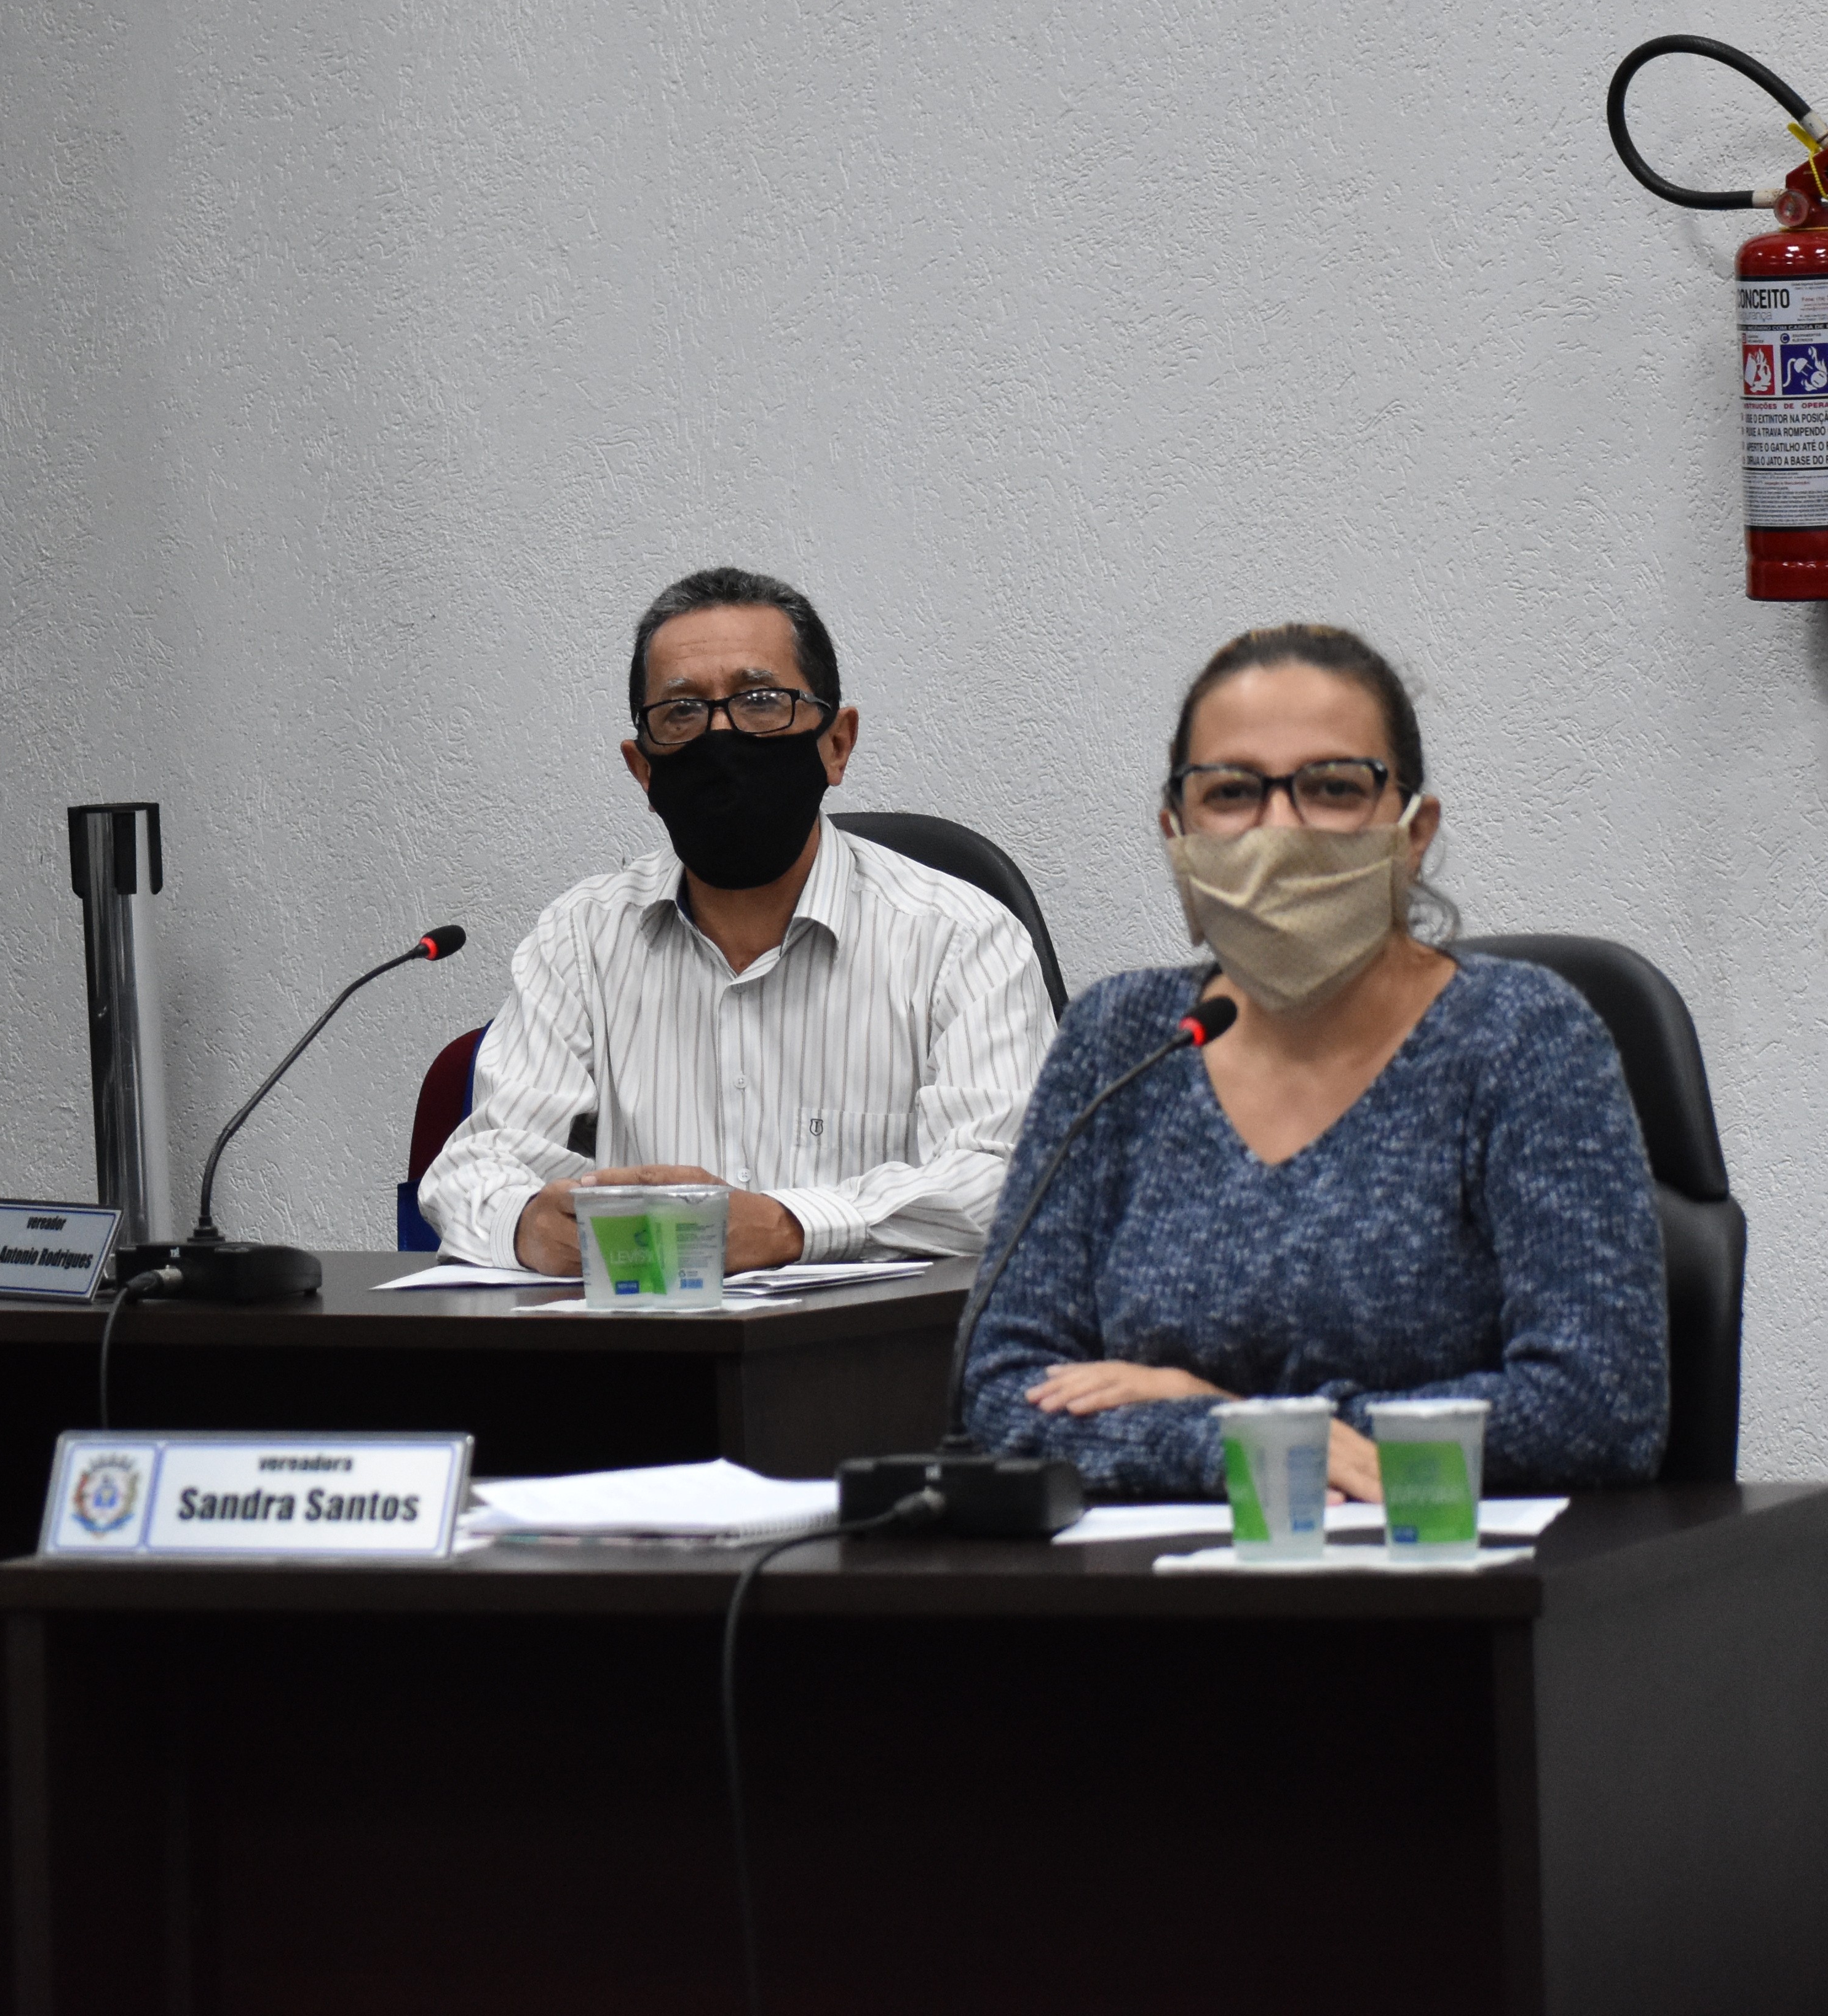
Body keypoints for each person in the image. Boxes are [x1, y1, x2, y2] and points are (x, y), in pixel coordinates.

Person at [959, 626, 1664, 1498]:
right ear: (1177, 833)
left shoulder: (1522, 1037)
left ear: (1413, 832)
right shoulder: (1121, 1038)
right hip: (1161, 1574)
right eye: (1232, 792)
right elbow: (1000, 1390)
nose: (1280, 828)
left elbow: (1600, 1408)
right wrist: (1219, 1441)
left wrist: (1259, 1430)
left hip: (1447, 1568)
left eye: (1333, 788)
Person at [417, 568, 1058, 1274]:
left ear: (837, 744)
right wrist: (526, 1224)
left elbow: (1010, 1181)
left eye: (760, 701)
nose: (720, 735)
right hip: (650, 1336)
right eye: (682, 712)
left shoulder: (964, 938)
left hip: (883, 1343)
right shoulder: (579, 940)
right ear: (643, 772)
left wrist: (790, 1226)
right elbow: (476, 1168)